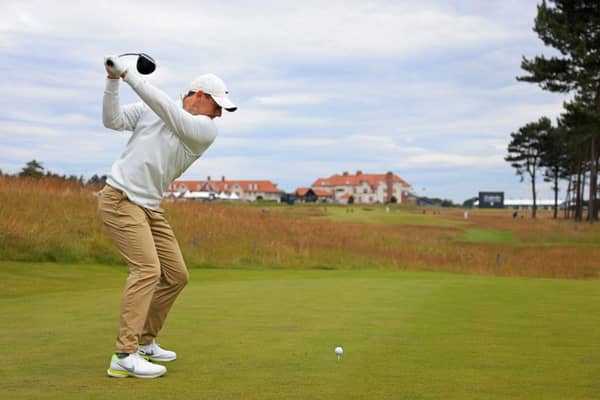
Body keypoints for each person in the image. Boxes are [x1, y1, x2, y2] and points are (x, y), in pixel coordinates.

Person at [99, 55, 237, 379]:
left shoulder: (204, 130)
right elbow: (113, 120)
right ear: (200, 96)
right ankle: (124, 354)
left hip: (149, 206)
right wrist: (113, 81)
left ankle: (145, 342)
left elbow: (168, 111)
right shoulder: (156, 109)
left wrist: (130, 76)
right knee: (147, 270)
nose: (219, 114)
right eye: (217, 105)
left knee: (176, 275)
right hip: (120, 198)